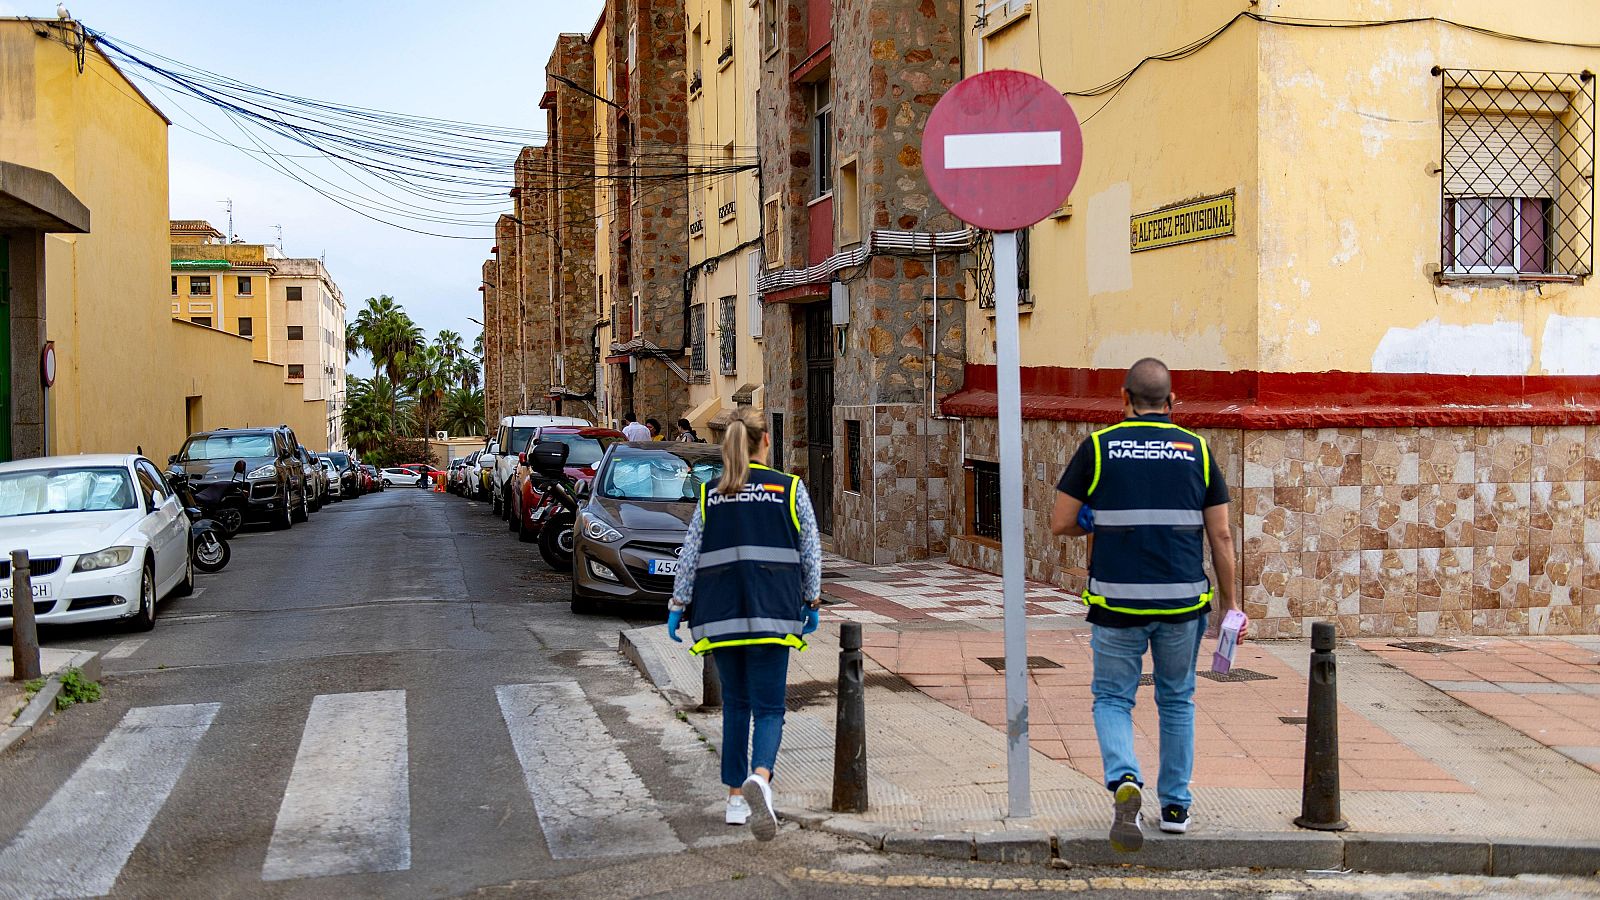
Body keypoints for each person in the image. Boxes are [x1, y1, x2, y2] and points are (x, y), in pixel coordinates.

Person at [1049, 357, 1243, 853]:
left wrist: (1099, 519)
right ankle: (1175, 807)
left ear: (1123, 399)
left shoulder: (1097, 448)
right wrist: (1231, 606)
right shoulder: (1198, 451)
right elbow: (1220, 534)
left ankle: (1124, 779)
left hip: (1116, 602)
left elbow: (1060, 521)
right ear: (1172, 402)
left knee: (1113, 698)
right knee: (1177, 699)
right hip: (1182, 603)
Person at [666, 408, 822, 841]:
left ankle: (735, 799)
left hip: (721, 616)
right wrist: (811, 600)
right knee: (770, 708)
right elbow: (810, 550)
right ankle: (762, 779)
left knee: (736, 706)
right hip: (774, 611)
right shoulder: (789, 489)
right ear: (765, 441)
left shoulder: (710, 494)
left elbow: (690, 552)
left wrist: (678, 604)